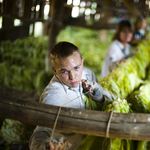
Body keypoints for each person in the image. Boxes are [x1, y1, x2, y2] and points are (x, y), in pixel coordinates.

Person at [29, 41, 112, 150]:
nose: (73, 77)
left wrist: (99, 97)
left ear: (82, 62)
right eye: (64, 71)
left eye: (76, 68)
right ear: (55, 71)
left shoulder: (88, 74)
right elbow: (40, 132)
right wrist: (44, 146)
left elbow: (108, 104)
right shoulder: (53, 96)